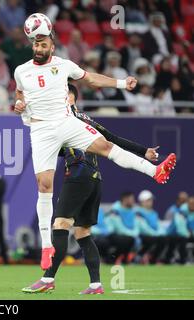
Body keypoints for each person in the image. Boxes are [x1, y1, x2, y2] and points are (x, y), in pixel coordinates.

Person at [13, 17, 176, 272]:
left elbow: (91, 79)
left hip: (65, 121)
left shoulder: (64, 65)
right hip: (41, 129)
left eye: (42, 43)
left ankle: (155, 171)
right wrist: (19, 104)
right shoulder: (21, 71)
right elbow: (19, 94)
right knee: (44, 186)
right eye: (35, 44)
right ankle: (47, 246)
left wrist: (121, 83)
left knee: (106, 146)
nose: (38, 48)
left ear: (52, 45)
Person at [22, 84, 157, 294]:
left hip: (77, 177)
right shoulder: (86, 120)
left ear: (71, 97)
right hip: (95, 180)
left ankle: (48, 278)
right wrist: (143, 151)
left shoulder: (63, 121)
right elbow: (112, 139)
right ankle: (96, 284)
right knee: (82, 232)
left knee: (60, 224)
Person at [135, 190, 167, 264]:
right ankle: (139, 256)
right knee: (151, 240)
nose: (151, 202)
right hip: (142, 236)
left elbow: (159, 226)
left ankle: (154, 259)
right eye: (148, 200)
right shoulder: (138, 212)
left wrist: (160, 233)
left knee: (163, 239)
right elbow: (143, 228)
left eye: (151, 200)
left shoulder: (154, 213)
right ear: (142, 202)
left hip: (153, 235)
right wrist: (155, 234)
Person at [107, 192, 140, 265]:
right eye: (132, 199)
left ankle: (125, 260)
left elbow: (136, 225)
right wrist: (132, 235)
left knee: (130, 240)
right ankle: (113, 259)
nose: (133, 201)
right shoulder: (115, 211)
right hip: (112, 234)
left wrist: (134, 234)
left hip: (127, 235)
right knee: (128, 240)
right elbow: (119, 228)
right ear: (125, 199)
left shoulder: (134, 211)